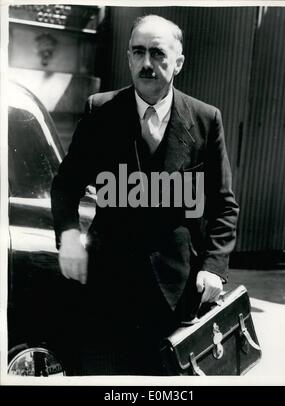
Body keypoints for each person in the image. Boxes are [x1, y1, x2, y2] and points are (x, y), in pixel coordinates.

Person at [51, 14, 239, 375]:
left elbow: (223, 204)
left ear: (178, 63)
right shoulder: (100, 111)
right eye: (138, 52)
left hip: (177, 292)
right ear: (128, 57)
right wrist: (71, 238)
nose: (147, 63)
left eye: (157, 53)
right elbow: (65, 186)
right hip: (108, 288)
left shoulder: (205, 119)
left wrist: (214, 268)